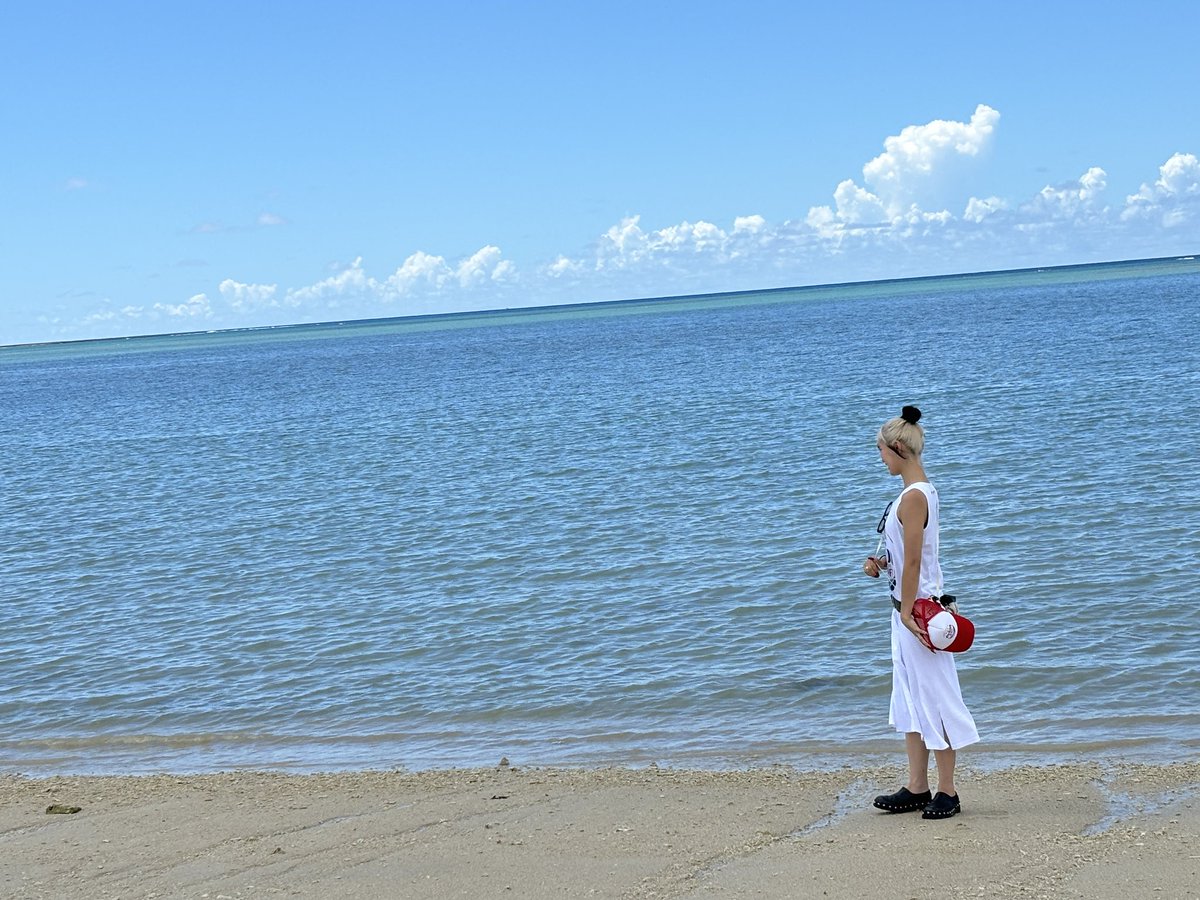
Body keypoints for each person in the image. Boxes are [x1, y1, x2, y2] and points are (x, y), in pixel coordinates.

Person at [862, 405, 978, 820]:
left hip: (920, 614)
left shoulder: (914, 497)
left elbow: (915, 562)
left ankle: (947, 790)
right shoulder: (916, 493)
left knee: (936, 696)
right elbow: (908, 558)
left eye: (881, 451)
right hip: (908, 609)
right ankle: (917, 786)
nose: (880, 459)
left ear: (897, 447)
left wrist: (909, 613)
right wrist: (882, 563)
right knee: (910, 698)